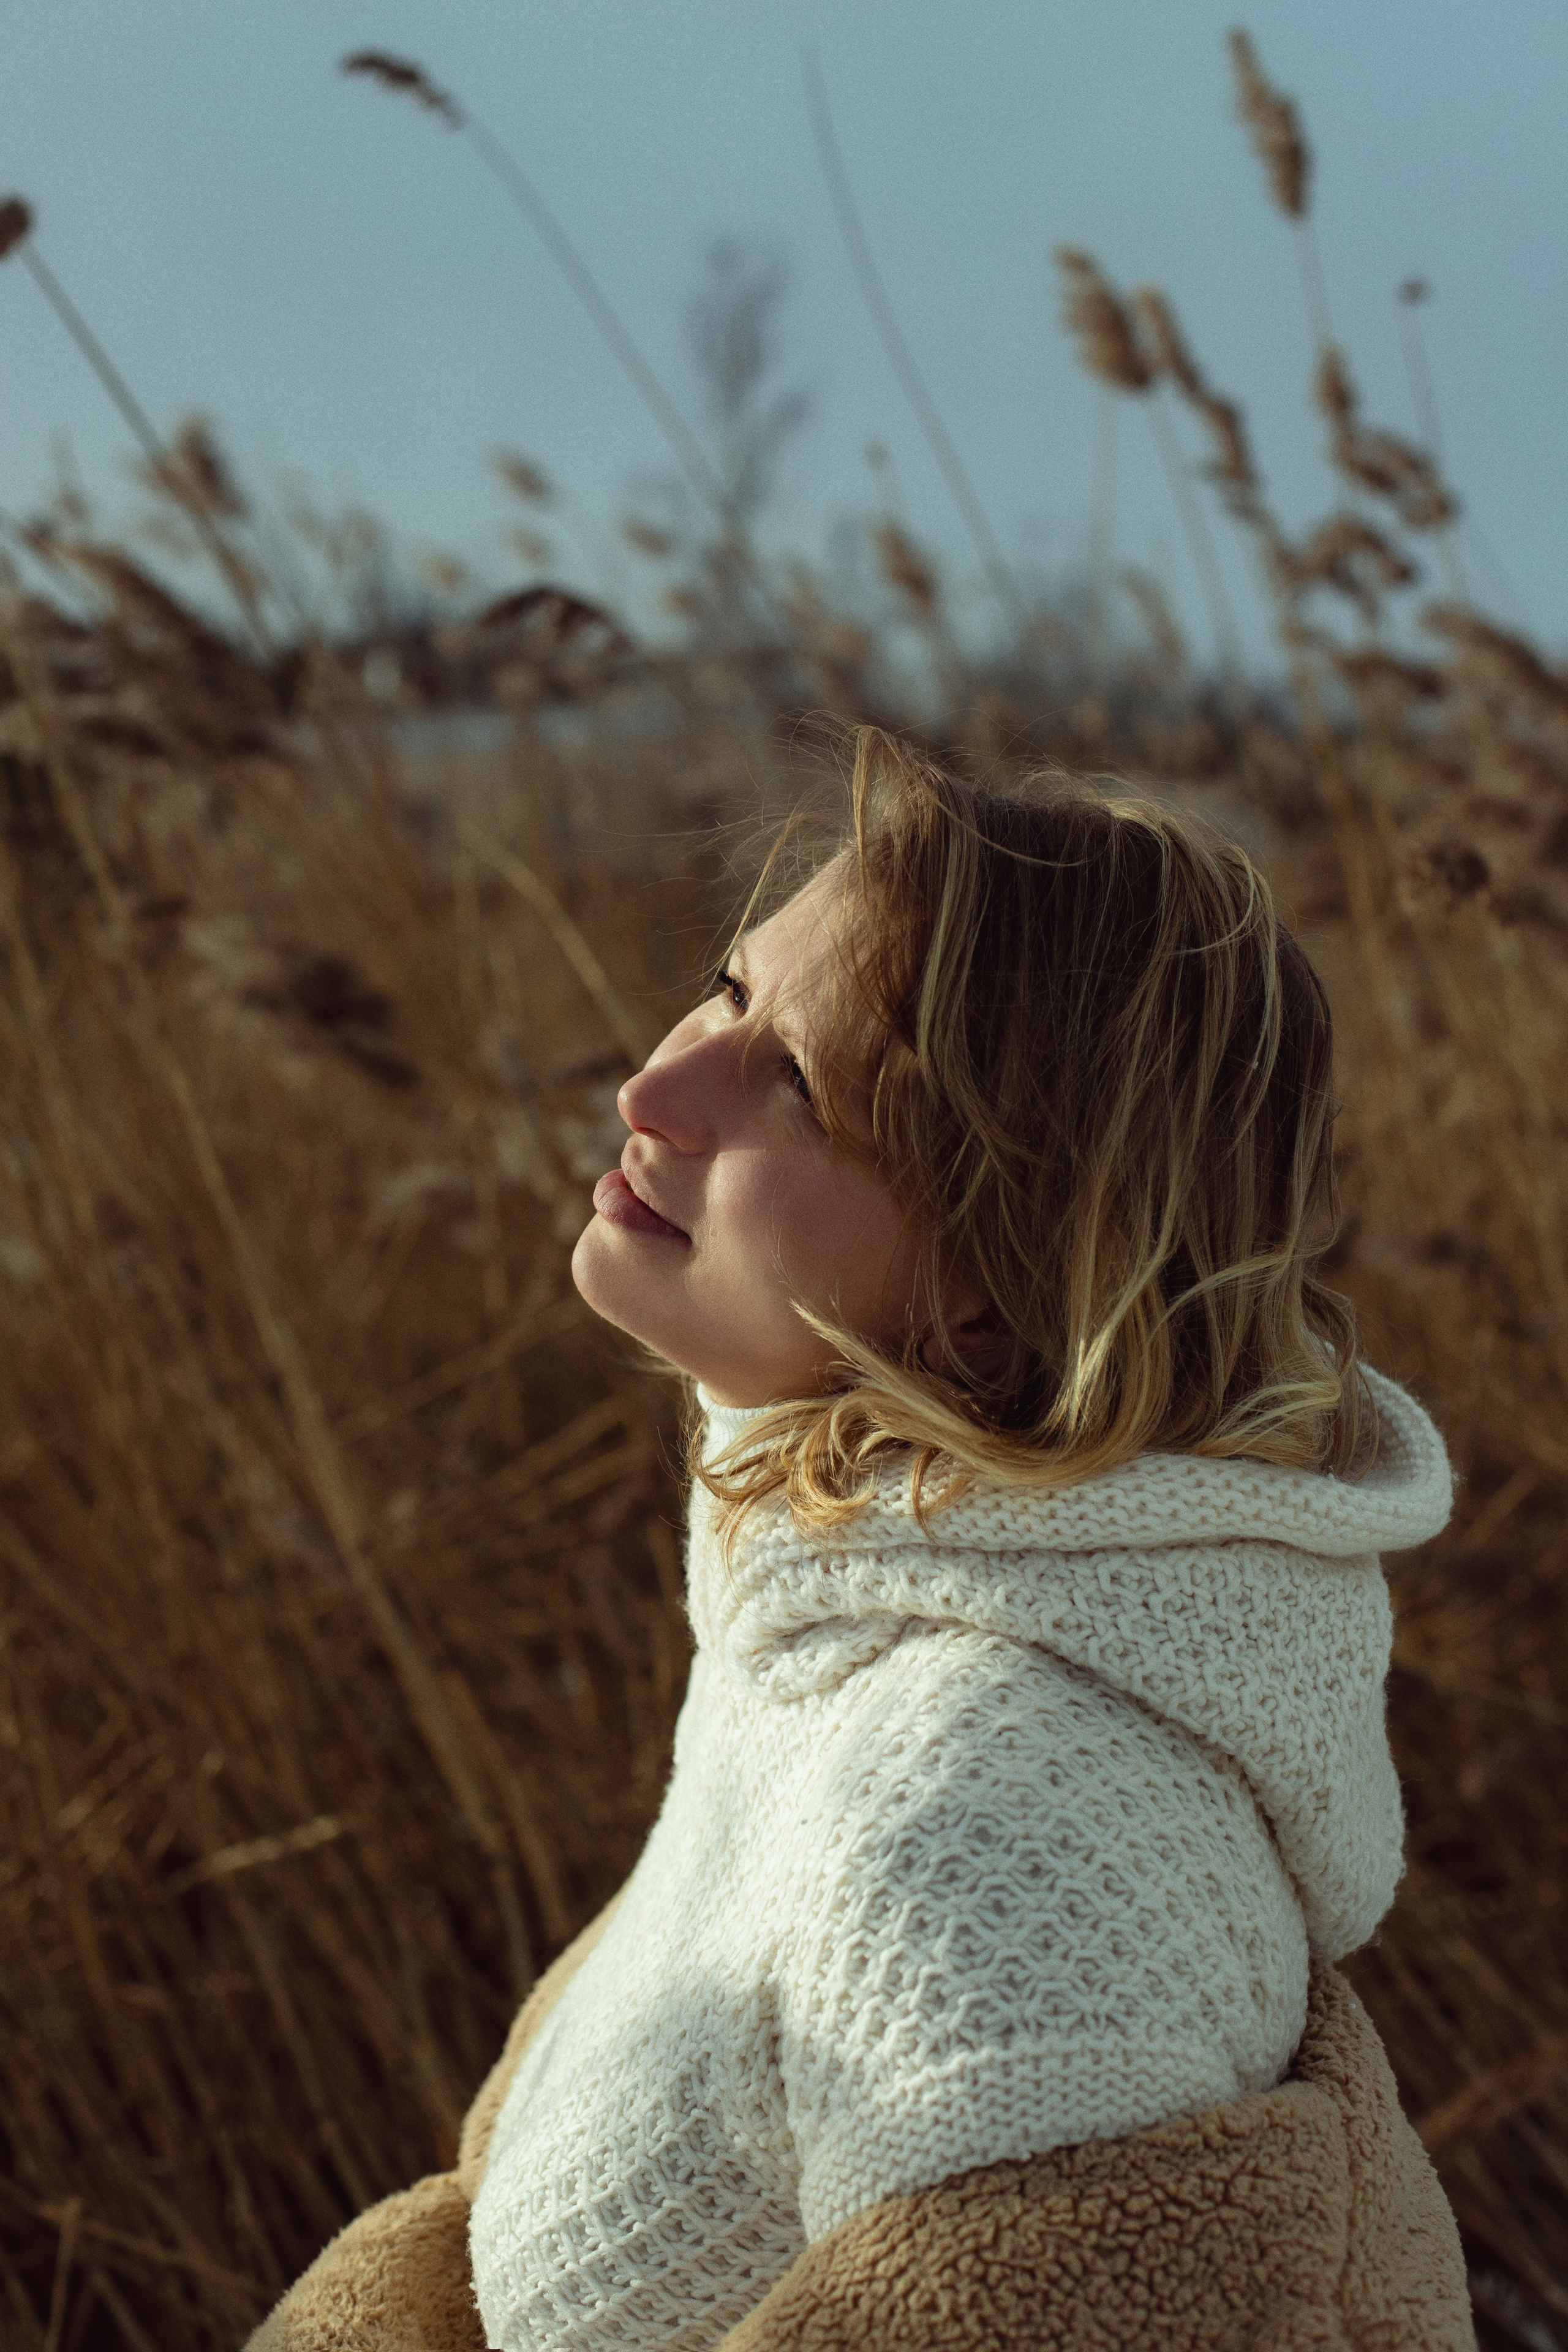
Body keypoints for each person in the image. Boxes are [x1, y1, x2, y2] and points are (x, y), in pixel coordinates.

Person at [251, 728, 1474, 2350]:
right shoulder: (834, 1641)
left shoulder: (1008, 1831)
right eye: (729, 991)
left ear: (995, 1291)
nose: (651, 1087)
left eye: (799, 1086)